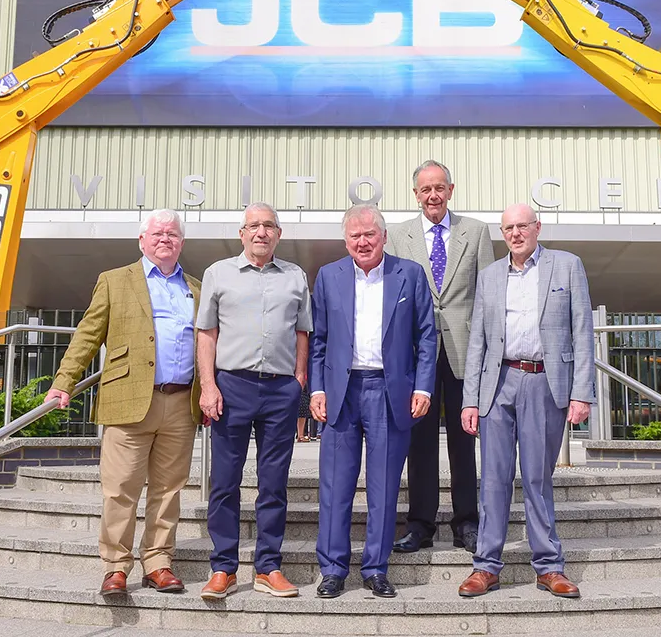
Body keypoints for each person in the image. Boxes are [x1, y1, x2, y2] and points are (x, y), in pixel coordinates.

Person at [45, 209, 201, 598]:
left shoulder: (196, 288)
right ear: (142, 240)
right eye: (158, 233)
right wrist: (64, 381)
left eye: (173, 234)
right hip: (130, 399)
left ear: (181, 243)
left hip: (181, 402)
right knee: (120, 489)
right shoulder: (115, 281)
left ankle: (159, 563)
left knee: (169, 489)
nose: (165, 239)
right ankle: (116, 567)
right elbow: (87, 335)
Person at [456, 203, 595, 600]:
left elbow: (582, 330)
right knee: (494, 481)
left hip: (543, 383)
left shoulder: (567, 265)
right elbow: (478, 342)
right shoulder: (490, 276)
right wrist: (469, 401)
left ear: (537, 227)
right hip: (497, 383)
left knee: (537, 478)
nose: (515, 233)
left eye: (522, 226)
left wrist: (581, 392)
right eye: (508, 228)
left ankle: (549, 567)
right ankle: (486, 567)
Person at [309, 205, 437, 599]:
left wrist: (423, 387)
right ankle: (332, 569)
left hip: (389, 391)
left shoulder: (410, 274)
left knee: (383, 487)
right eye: (354, 236)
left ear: (383, 237)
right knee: (335, 485)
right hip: (341, 393)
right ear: (345, 239)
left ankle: (376, 568)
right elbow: (320, 341)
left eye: (369, 234)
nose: (362, 242)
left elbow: (427, 337)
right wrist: (316, 390)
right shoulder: (329, 276)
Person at [196, 203, 312, 600]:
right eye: (253, 226)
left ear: (278, 234)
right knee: (225, 482)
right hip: (232, 387)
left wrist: (298, 381)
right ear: (242, 233)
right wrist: (208, 386)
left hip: (280, 391)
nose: (261, 232)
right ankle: (223, 568)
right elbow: (207, 334)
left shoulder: (295, 276)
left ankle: (268, 567)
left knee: (274, 484)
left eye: (268, 226)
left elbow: (302, 332)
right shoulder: (218, 273)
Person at [387, 160, 493, 555]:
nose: (433, 195)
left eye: (439, 188)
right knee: (420, 441)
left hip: (465, 352)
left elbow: (487, 298)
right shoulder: (398, 237)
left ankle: (467, 521)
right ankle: (420, 524)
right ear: (416, 194)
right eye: (425, 189)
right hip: (417, 357)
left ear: (451, 189)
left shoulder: (477, 233)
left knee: (464, 441)